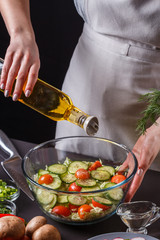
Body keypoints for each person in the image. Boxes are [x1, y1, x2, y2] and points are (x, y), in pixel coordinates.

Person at [0, 0, 160, 202]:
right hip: (87, 80)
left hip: (155, 101)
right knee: (67, 194)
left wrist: (157, 132)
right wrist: (21, 33)